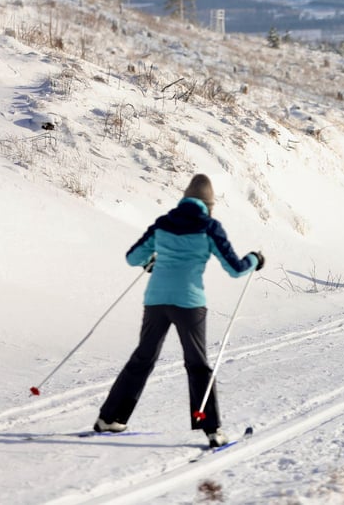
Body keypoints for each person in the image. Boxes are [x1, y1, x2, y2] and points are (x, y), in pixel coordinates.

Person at [93, 173, 264, 448]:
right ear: (209, 204)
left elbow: (132, 257)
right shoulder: (210, 227)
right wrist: (254, 259)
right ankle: (211, 430)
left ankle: (109, 418)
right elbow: (234, 269)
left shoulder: (164, 223)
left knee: (143, 358)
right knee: (197, 365)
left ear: (184, 198)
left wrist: (151, 262)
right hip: (189, 303)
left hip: (156, 300)